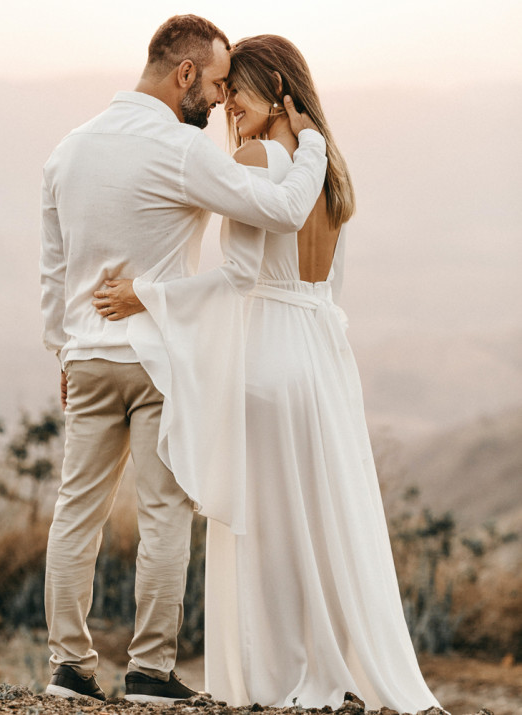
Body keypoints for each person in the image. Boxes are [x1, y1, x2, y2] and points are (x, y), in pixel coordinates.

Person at [94, 35, 445, 712]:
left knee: (265, 528)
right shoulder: (330, 168)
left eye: (238, 92)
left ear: (278, 88)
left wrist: (150, 294)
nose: (226, 106)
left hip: (268, 352)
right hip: (322, 356)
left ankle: (272, 677)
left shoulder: (259, 159)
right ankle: (336, 666)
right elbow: (329, 283)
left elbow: (239, 276)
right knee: (322, 521)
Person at [40, 15, 327, 704]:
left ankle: (68, 668)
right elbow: (281, 211)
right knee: (164, 513)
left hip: (86, 354)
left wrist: (63, 350)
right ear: (186, 74)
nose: (222, 100)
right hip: (157, 359)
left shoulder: (67, 150)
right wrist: (310, 141)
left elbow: (53, 272)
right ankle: (148, 670)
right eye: (219, 81)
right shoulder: (181, 151)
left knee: (74, 512)